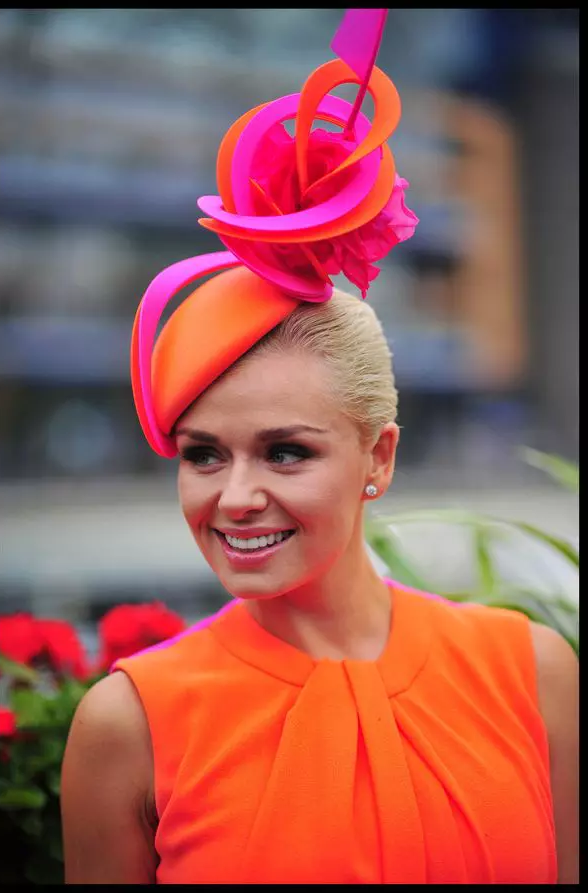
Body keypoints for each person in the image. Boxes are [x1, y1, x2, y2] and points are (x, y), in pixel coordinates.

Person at [60, 8, 578, 885]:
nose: (234, 496)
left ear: (379, 457)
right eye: (203, 453)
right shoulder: (128, 724)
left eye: (287, 451)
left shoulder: (532, 671)